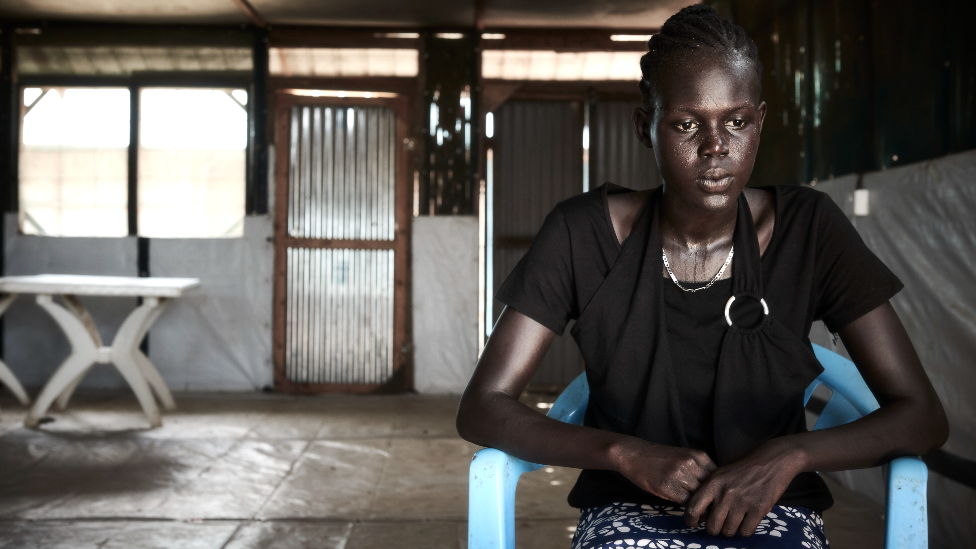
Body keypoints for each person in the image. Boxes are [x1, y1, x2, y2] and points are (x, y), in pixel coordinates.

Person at [456, 4, 949, 548]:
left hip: (772, 511)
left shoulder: (810, 230)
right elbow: (483, 406)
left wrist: (788, 455)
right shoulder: (582, 235)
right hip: (626, 512)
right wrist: (622, 453)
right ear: (646, 128)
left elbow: (921, 416)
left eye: (736, 121)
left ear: (759, 121)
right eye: (688, 124)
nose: (716, 146)